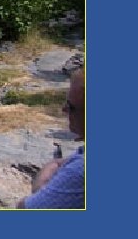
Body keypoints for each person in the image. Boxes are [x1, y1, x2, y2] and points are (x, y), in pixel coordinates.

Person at [17, 68, 85, 209]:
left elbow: (26, 209)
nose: (64, 109)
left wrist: (41, 187)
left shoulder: (80, 170)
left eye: (71, 106)